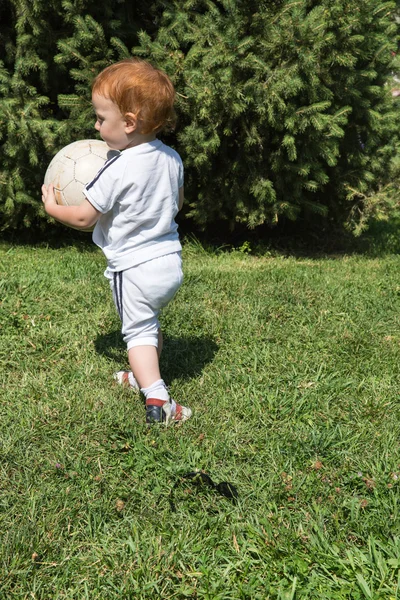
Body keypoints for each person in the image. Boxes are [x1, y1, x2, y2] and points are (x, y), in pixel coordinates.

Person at [42, 58, 192, 425]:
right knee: (149, 321)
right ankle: (140, 376)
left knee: (137, 332)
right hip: (170, 262)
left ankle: (158, 400)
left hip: (134, 268)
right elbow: (178, 202)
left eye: (100, 118)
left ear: (128, 122)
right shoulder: (171, 158)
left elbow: (83, 217)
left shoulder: (118, 167)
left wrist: (51, 207)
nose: (95, 125)